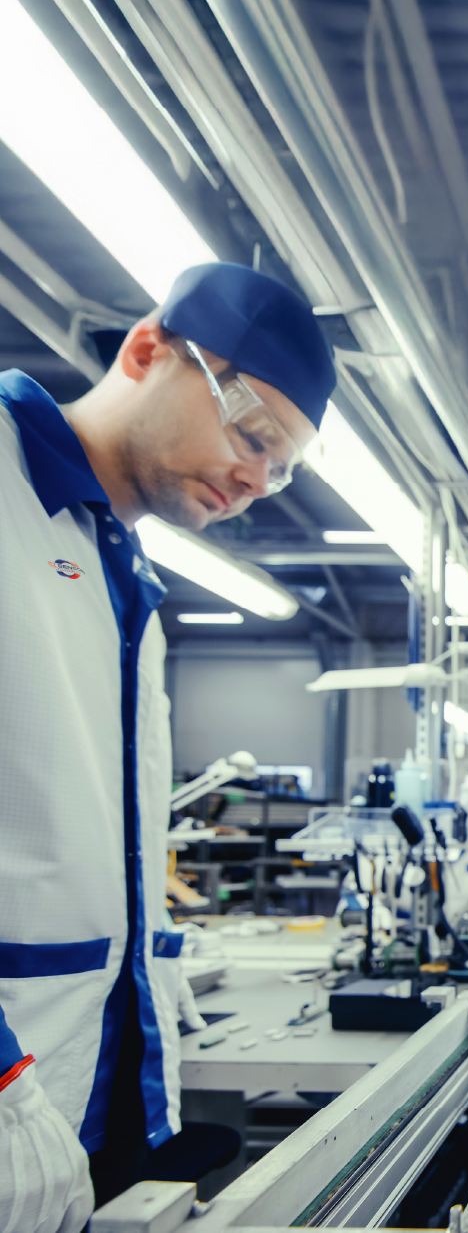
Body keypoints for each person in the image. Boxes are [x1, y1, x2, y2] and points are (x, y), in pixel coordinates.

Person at [0, 262, 336, 1230]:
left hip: (93, 1112)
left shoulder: (127, 572)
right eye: (252, 432)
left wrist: (148, 959)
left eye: (281, 467)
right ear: (149, 349)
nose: (254, 479)